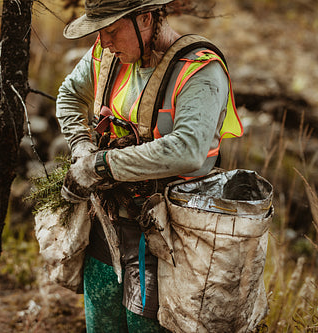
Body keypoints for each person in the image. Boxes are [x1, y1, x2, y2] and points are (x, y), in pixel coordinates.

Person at [55, 0, 243, 331]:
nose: (104, 41)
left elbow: (188, 150)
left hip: (169, 236)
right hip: (107, 224)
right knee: (101, 324)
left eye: (112, 30)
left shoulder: (199, 69)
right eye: (100, 32)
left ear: (145, 18)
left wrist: (100, 166)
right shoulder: (107, 55)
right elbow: (69, 94)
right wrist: (81, 145)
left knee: (148, 325)